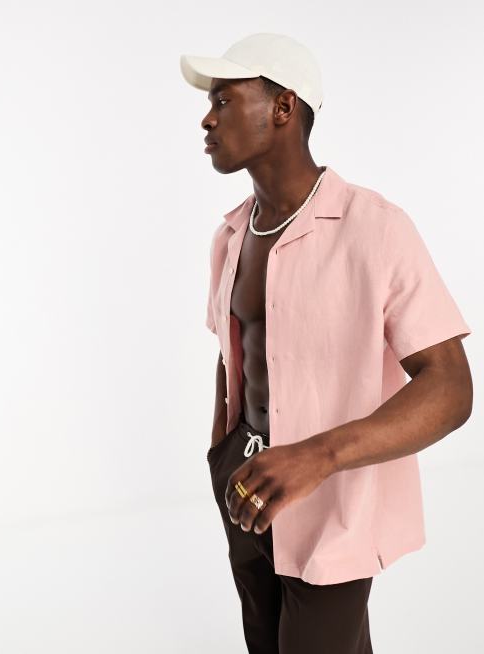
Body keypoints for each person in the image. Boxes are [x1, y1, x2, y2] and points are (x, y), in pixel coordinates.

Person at [180, 33, 473, 654]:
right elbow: (231, 357)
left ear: (283, 107)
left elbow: (450, 388)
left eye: (224, 100)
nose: (207, 118)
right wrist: (221, 454)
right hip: (243, 485)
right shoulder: (230, 236)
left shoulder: (375, 228)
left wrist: (317, 456)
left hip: (333, 498)